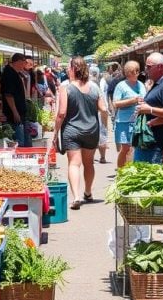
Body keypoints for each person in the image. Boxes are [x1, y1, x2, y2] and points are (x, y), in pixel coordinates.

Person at [52, 56, 107, 210]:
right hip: (91, 130)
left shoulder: (66, 88)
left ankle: (76, 197)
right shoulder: (94, 87)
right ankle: (88, 193)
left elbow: (61, 113)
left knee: (74, 164)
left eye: (69, 68)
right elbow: (104, 109)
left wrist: (56, 132)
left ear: (73, 69)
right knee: (89, 163)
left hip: (72, 131)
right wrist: (104, 127)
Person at [134, 52, 163, 164]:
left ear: (160, 67)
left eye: (149, 67)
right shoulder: (160, 83)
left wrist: (150, 113)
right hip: (150, 144)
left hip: (157, 144)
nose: (145, 70)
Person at [112, 61, 146, 170]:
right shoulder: (121, 86)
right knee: (126, 148)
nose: (135, 73)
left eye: (136, 71)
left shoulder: (141, 85)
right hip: (124, 121)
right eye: (131, 71)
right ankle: (121, 171)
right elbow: (115, 103)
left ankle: (130, 170)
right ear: (126, 73)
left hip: (138, 120)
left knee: (135, 147)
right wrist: (132, 100)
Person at [1, 53, 31, 147]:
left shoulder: (14, 73)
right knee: (20, 143)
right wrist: (15, 112)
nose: (25, 65)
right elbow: (8, 95)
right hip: (14, 115)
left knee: (25, 142)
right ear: (18, 62)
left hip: (19, 113)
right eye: (24, 62)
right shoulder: (9, 73)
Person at [91, 67, 110, 163]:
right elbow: (104, 109)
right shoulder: (100, 94)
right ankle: (102, 157)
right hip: (100, 115)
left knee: (93, 137)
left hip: (92, 116)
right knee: (102, 135)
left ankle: (92, 157)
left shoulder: (90, 92)